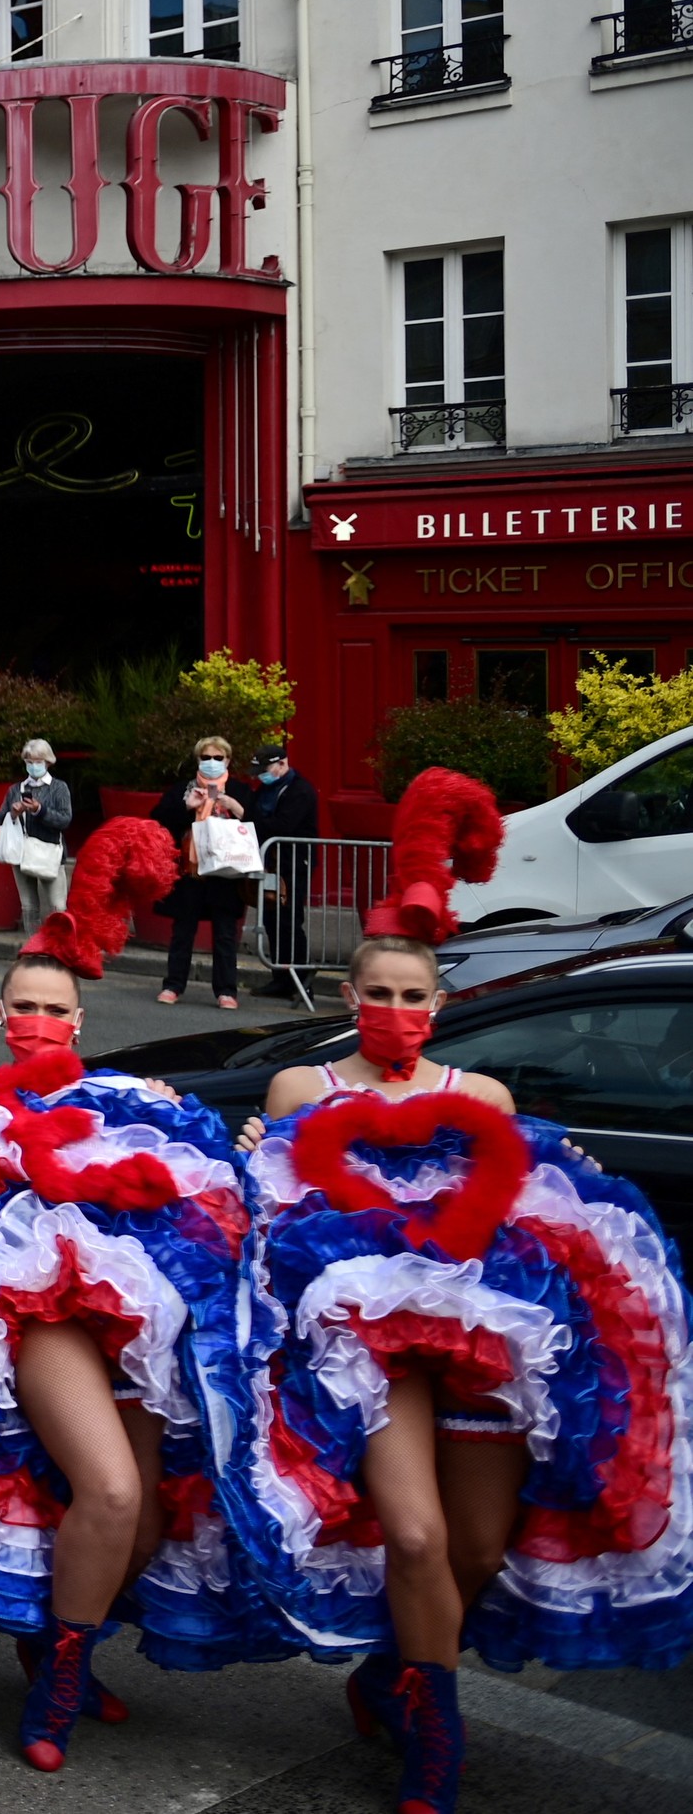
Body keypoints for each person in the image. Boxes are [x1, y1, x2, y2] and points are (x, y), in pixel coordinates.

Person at [221, 770, 691, 1814]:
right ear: (349, 996)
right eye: (377, 994)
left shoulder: (480, 1092)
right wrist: (252, 1150)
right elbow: (272, 1213)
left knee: (478, 1546)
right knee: (418, 1535)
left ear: (440, 1005)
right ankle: (436, 1735)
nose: (395, 1011)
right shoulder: (304, 1088)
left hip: (484, 1333)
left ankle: (391, 1671)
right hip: (368, 1349)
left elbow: (527, 1198)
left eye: (412, 996)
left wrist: (567, 1175)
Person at [0, 820, 283, 1772]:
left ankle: (64, 1641)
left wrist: (246, 1142)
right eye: (23, 1006)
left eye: (54, 1009)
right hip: (39, 1315)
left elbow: (205, 1169)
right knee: (110, 1488)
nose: (38, 1022)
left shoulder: (121, 1098)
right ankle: (54, 1681)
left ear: (79, 1020)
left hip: (139, 1325)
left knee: (144, 1518)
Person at [151, 735, 252, 1009]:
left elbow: (257, 823)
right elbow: (159, 819)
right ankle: (173, 985)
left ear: (227, 760)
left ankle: (226, 991)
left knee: (225, 934)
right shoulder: (184, 789)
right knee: (183, 931)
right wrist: (187, 807)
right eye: (206, 757)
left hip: (226, 873)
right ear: (197, 760)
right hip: (190, 871)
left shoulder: (239, 790)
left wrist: (235, 807)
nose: (211, 762)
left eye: (218, 758)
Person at [247, 743, 322, 982]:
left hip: (293, 863)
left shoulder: (300, 791)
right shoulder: (266, 790)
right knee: (271, 918)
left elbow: (282, 826)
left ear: (282, 764)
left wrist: (246, 816)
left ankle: (299, 978)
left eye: (265, 770)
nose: (261, 776)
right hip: (270, 862)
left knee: (289, 920)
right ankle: (280, 979)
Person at [0, 739, 73, 933]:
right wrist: (13, 814)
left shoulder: (58, 788)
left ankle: (58, 945)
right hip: (21, 853)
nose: (33, 766)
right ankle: (33, 945)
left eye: (38, 762)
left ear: (48, 762)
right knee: (29, 907)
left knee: (58, 906)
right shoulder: (16, 790)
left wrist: (40, 810)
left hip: (50, 852)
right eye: (29, 762)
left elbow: (64, 820)